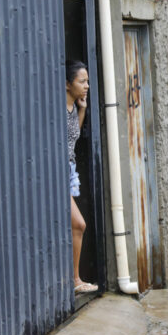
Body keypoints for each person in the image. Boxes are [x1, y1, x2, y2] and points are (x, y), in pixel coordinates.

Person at [66, 60, 97, 294]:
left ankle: (74, 279)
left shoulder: (73, 107)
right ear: (68, 84)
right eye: (82, 81)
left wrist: (83, 109)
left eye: (87, 81)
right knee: (79, 224)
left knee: (73, 225)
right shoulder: (57, 107)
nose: (86, 85)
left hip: (69, 172)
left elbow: (72, 138)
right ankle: (75, 280)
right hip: (58, 173)